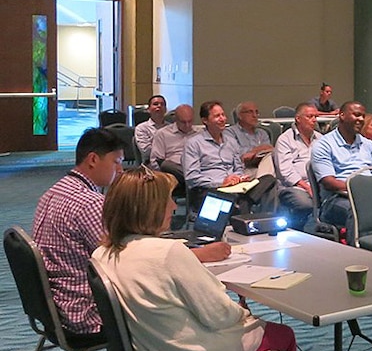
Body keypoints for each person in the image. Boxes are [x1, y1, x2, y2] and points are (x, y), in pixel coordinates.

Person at [90, 168, 321, 351]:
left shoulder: (102, 254)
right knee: (283, 335)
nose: (173, 207)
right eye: (166, 200)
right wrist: (242, 314)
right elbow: (219, 315)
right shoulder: (168, 252)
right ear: (149, 208)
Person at [33, 128, 229, 335]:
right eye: (116, 162)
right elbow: (128, 261)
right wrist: (197, 254)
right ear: (92, 160)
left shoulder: (54, 192)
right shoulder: (89, 204)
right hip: (89, 311)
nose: (120, 170)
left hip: (57, 305)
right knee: (177, 305)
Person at [311, 101, 372, 238]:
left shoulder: (369, 145)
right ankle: (361, 254)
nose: (361, 119)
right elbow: (328, 182)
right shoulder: (323, 145)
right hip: (337, 199)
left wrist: (371, 190)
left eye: (363, 116)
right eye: (356, 115)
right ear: (342, 115)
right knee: (362, 209)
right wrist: (360, 189)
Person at [183, 100, 276, 215]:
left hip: (235, 187)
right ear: (205, 120)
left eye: (223, 115)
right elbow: (191, 178)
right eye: (217, 116)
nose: (222, 119)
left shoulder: (230, 142)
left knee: (269, 179)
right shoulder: (194, 143)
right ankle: (244, 205)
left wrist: (239, 177)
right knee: (238, 200)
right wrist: (221, 182)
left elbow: (239, 167)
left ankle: (251, 209)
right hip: (210, 189)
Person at [275, 103, 322, 229]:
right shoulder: (285, 139)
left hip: (318, 185)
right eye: (310, 116)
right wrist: (307, 187)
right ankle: (306, 231)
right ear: (298, 119)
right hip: (294, 187)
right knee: (306, 203)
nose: (314, 120)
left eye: (315, 117)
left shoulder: (320, 138)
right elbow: (285, 172)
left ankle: (321, 231)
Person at [149, 104, 199, 193]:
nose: (187, 125)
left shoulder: (199, 133)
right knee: (166, 165)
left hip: (195, 166)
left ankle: (194, 180)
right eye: (183, 122)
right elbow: (155, 161)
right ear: (176, 120)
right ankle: (194, 181)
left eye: (190, 121)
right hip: (173, 172)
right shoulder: (163, 134)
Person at [225, 101, 275, 170]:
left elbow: (268, 151)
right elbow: (236, 155)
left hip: (262, 166)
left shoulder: (262, 133)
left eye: (256, 112)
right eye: (250, 112)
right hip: (241, 169)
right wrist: (258, 150)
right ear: (240, 115)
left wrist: (251, 153)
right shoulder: (230, 132)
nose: (254, 115)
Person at [134, 95, 169, 162]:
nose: (159, 106)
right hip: (152, 163)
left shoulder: (171, 127)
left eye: (162, 104)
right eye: (155, 104)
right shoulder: (141, 128)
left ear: (166, 109)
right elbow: (147, 151)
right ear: (148, 109)